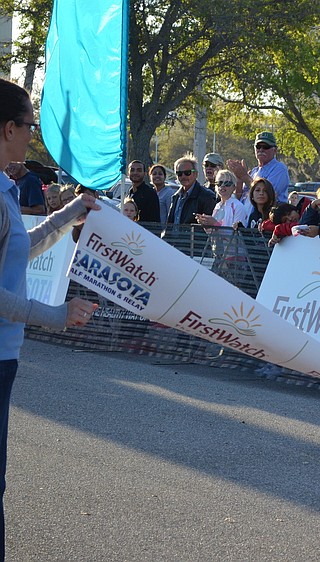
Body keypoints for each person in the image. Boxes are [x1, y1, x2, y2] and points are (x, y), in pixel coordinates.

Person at [0, 77, 100, 559]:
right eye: (27, 124)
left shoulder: (7, 188)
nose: (30, 134)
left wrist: (71, 212)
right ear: (5, 129)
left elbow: (20, 249)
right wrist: (56, 316)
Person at [227, 131, 290, 204]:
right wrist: (239, 179)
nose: (261, 150)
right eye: (258, 146)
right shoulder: (254, 171)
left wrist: (244, 176)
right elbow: (240, 198)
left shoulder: (279, 169)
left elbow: (268, 195)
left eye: (266, 147)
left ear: (275, 150)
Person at [167, 155, 216, 224]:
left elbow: (208, 228)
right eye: (179, 173)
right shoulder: (175, 197)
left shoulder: (207, 196)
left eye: (187, 173)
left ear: (195, 174)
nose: (183, 176)